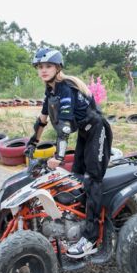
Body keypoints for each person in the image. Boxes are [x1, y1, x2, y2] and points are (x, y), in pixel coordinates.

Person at [25, 47, 113, 258]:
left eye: (48, 66)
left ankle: (91, 239)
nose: (43, 70)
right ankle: (78, 222)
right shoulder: (51, 91)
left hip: (97, 130)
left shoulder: (65, 89)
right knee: (76, 177)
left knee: (91, 179)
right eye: (40, 67)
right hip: (84, 133)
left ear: (57, 68)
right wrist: (32, 144)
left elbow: (64, 127)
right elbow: (42, 120)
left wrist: (58, 157)